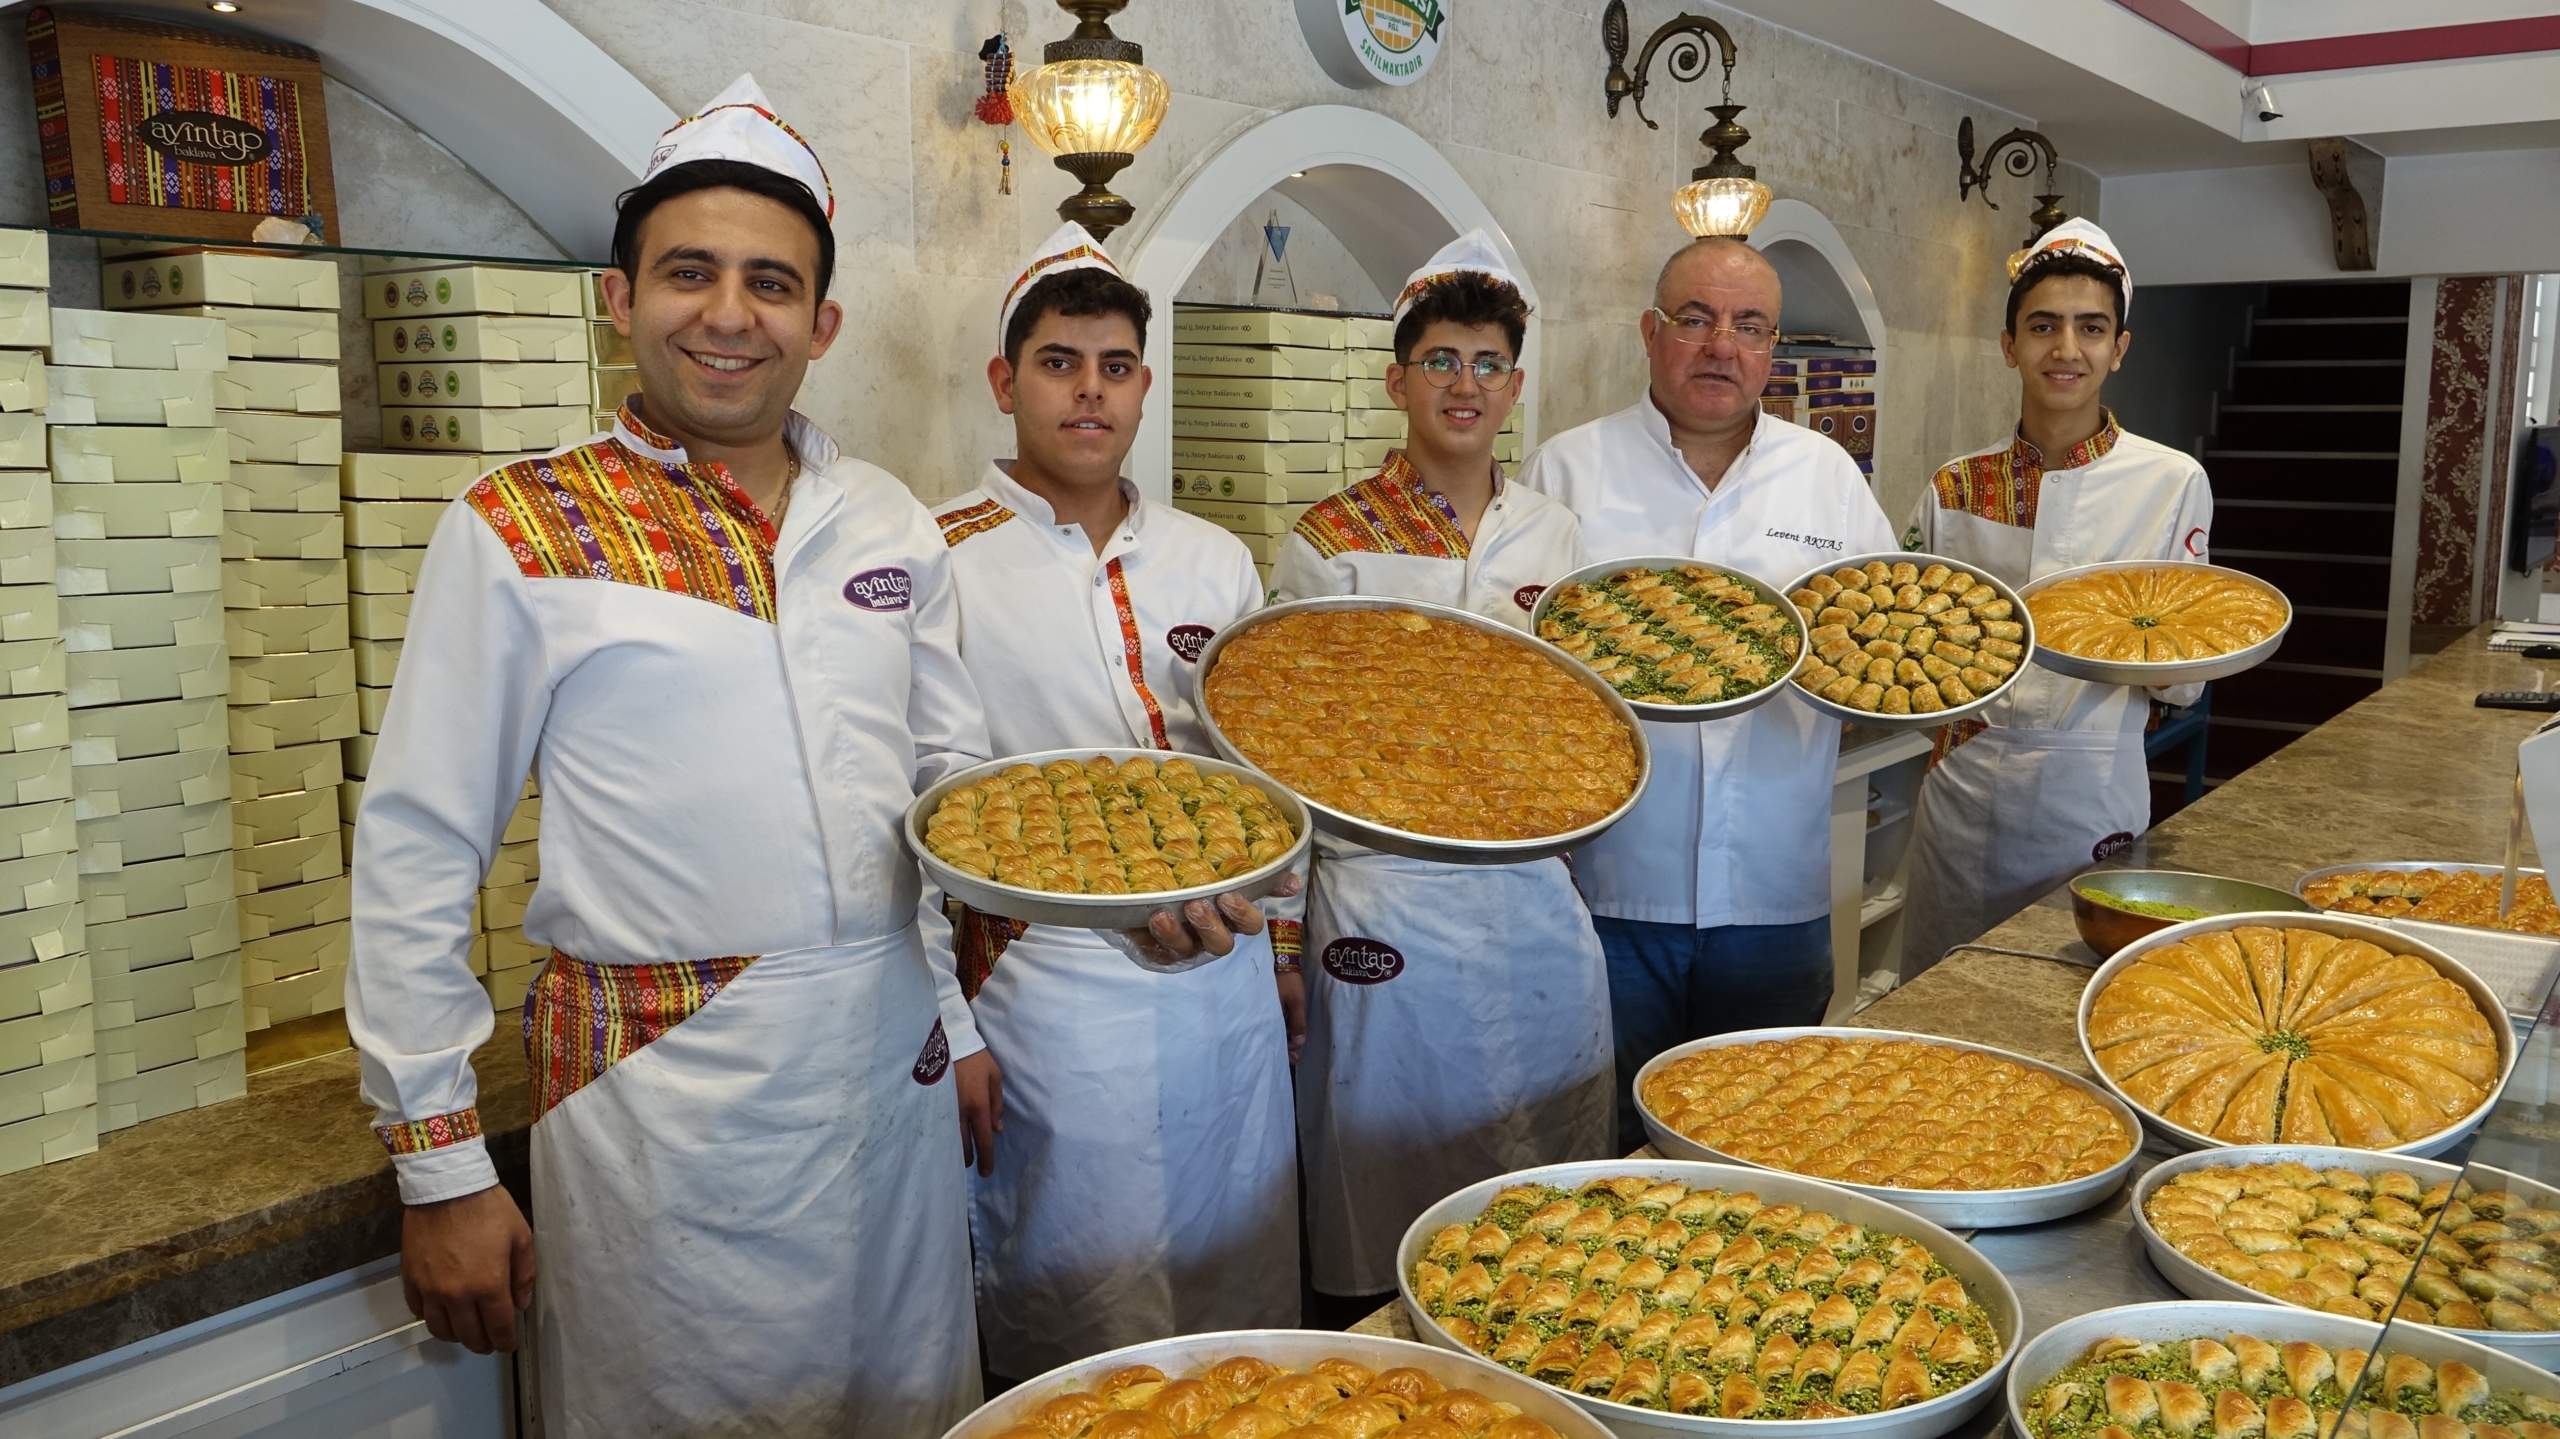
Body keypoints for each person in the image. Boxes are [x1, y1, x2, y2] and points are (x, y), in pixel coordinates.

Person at [342, 75, 994, 1437]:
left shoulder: (887, 523)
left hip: (890, 1072)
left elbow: (950, 802)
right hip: (664, 1093)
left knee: (912, 1403)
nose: (728, 313)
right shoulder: (520, 523)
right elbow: (416, 844)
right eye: (689, 272)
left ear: (820, 323)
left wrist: (995, 980)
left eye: (770, 283)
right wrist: (439, 1159)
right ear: (619, 294)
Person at [926, 225, 1303, 1381]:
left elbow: (1264, 767)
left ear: (1145, 383)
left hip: (1224, 979)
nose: (1089, 390)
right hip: (1045, 988)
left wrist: (1283, 945)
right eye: (1058, 362)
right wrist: (953, 1030)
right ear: (1005, 381)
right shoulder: (937, 555)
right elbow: (913, 811)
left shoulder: (1211, 556)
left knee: (1235, 1266)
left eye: (1116, 365)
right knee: (1085, 1288)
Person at [1273, 231, 1613, 1307]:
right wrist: (1283, 934)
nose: (1462, 386)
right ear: (1396, 380)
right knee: (1382, 1162)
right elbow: (1284, 748)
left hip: (1529, 897)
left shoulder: (1555, 534)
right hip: (1384, 902)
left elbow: (1582, 725)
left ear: (1514, 384)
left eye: (1484, 365)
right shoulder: (1329, 541)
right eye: (1438, 362)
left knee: (1540, 1178)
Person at [1520, 237, 1897, 1152]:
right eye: (1695, 319)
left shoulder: (1826, 477)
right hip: (1608, 890)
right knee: (1602, 1139)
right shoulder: (1566, 471)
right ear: (1651, 333)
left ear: (1772, 350)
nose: (1720, 345)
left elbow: (1886, 629)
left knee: (1766, 1131)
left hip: (1777, 894)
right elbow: (1523, 683)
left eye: (1749, 326)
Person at [1899, 219, 2211, 973]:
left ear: (2119, 348)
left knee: (2069, 991)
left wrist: (2142, 649)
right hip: (1962, 784)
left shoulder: (2172, 482)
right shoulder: (1954, 485)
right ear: (2010, 345)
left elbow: (2186, 674)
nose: (2066, 350)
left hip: (2092, 785)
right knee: (1941, 996)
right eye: (2043, 326)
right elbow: (1906, 630)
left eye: (2090, 328)